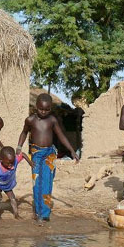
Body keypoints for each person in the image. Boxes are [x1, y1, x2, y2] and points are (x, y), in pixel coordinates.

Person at [17, 93, 79, 222]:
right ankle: (37, 211)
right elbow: (24, 133)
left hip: (49, 154)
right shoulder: (30, 120)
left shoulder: (52, 120)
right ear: (36, 107)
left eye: (47, 109)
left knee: (47, 182)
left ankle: (44, 214)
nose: (44, 112)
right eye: (41, 109)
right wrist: (19, 146)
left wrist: (72, 150)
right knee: (37, 182)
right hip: (36, 154)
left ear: (50, 108)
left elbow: (61, 136)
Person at [0, 146, 29, 220]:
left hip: (7, 185)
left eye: (12, 162)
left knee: (12, 198)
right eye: (8, 163)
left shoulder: (13, 161)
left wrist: (31, 163)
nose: (11, 165)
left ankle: (16, 214)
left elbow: (23, 155)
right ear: (1, 160)